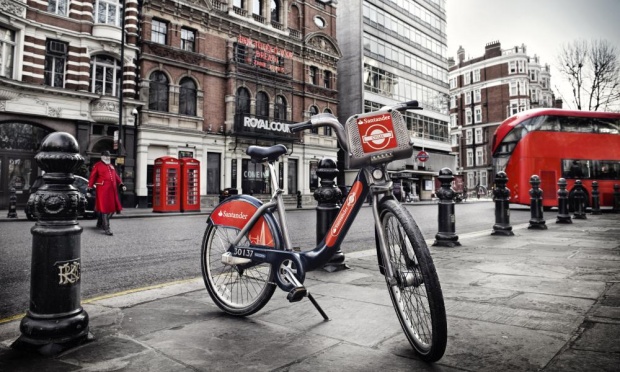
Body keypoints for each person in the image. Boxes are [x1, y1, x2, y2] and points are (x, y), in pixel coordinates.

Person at [88, 151, 125, 236]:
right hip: (102, 189)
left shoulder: (111, 166)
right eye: (106, 156)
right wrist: (89, 186)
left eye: (109, 156)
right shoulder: (97, 165)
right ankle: (107, 228)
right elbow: (93, 176)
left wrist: (121, 183)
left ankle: (100, 222)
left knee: (113, 208)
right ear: (102, 157)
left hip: (112, 190)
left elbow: (116, 176)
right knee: (104, 208)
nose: (108, 157)